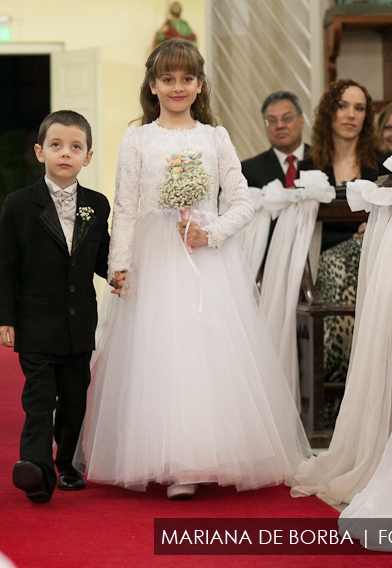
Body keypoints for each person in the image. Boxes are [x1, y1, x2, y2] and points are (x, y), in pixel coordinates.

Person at [78, 39, 310, 501]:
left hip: (205, 259)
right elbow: (123, 208)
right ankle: (169, 461)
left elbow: (243, 201)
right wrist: (119, 266)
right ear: (153, 85)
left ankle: (210, 454)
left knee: (207, 355)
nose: (177, 86)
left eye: (187, 78)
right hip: (156, 259)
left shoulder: (214, 136)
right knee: (161, 354)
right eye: (168, 79)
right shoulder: (138, 138)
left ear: (200, 84)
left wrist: (213, 232)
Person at [0, 110, 111, 504]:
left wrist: (122, 272)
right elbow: (5, 266)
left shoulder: (97, 205)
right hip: (36, 323)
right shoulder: (20, 204)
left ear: (88, 157)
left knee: (75, 399)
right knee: (40, 400)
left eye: (76, 147)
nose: (66, 153)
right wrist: (4, 317)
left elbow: (102, 258)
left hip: (79, 325)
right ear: (40, 151)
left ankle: (68, 464)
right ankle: (36, 470)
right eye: (56, 145)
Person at [299, 79, 381, 393]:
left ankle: (347, 387)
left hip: (373, 260)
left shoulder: (379, 165)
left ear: (367, 117)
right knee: (343, 261)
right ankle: (337, 382)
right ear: (329, 114)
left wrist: (371, 230)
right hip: (323, 259)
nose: (350, 114)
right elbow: (307, 230)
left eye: (359, 108)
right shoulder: (311, 167)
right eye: (342, 106)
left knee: (354, 260)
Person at [241, 91, 311, 189]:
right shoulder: (248, 170)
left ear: (301, 120)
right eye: (272, 121)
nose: (280, 125)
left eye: (287, 118)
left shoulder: (324, 160)